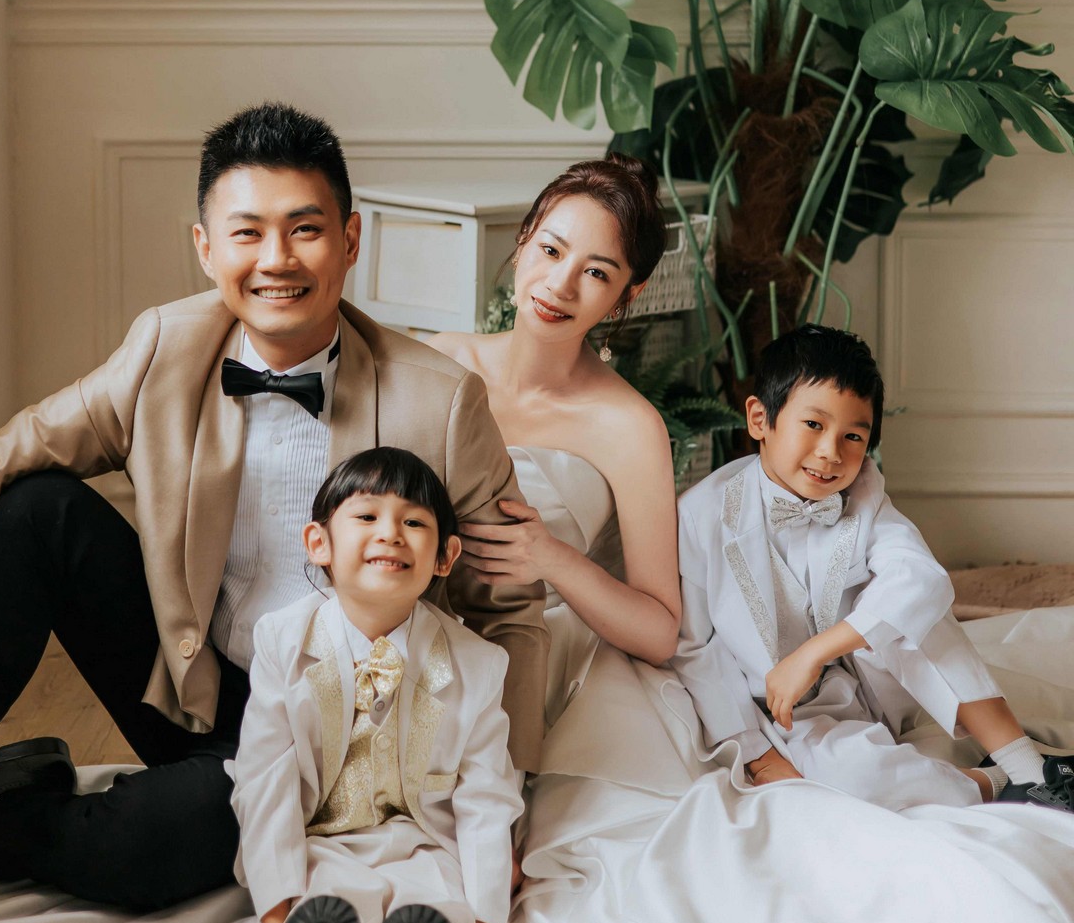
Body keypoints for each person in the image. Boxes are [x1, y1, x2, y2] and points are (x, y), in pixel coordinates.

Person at [0, 102, 547, 923]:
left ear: (350, 240)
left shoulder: (441, 402)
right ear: (204, 248)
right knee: (34, 512)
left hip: (327, 733)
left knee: (141, 853)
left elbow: (511, 615)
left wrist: (506, 808)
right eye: (247, 233)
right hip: (192, 687)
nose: (276, 260)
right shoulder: (164, 348)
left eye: (305, 230)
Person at [675, 324, 1074, 812]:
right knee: (852, 781)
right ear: (760, 419)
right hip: (789, 717)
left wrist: (816, 651)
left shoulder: (862, 492)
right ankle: (988, 782)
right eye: (813, 424)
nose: (831, 453)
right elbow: (695, 650)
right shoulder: (700, 515)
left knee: (915, 605)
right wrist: (758, 756)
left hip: (875, 682)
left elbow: (921, 578)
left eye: (853, 436)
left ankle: (1032, 770)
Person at [232, 447, 521, 923]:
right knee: (330, 910)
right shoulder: (281, 640)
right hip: (323, 835)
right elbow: (265, 776)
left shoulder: (478, 664)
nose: (391, 533)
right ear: (320, 544)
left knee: (433, 913)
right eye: (366, 517)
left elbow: (486, 797)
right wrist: (277, 914)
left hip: (423, 837)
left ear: (444, 557)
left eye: (414, 523)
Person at [427, 153, 682, 727]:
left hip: (544, 672)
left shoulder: (630, 427)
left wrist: (551, 559)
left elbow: (659, 633)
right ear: (523, 241)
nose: (560, 285)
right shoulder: (441, 360)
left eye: (597, 273)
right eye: (551, 250)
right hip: (412, 642)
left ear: (627, 295)